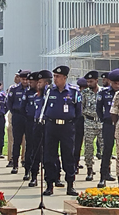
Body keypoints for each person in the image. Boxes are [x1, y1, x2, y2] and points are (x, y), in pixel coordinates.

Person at [39, 66, 81, 196]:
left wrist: (71, 124)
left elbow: (78, 112)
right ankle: (49, 185)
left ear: (64, 78)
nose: (55, 79)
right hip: (51, 126)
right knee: (49, 156)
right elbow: (43, 107)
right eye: (54, 76)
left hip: (67, 127)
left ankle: (70, 185)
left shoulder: (74, 92)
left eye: (57, 77)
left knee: (68, 155)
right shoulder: (49, 91)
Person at [96, 70, 119, 188]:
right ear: (110, 82)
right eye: (115, 83)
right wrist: (104, 119)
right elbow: (99, 109)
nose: (117, 85)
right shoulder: (104, 93)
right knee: (107, 151)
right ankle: (103, 176)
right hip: (108, 125)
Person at [7, 69, 30, 174]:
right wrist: (15, 112)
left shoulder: (32, 90)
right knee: (17, 141)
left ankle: (27, 163)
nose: (25, 81)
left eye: (27, 79)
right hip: (18, 116)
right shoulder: (14, 89)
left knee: (29, 142)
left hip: (28, 117)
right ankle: (15, 164)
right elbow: (9, 103)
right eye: (23, 79)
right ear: (20, 79)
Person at [80, 70, 102, 182]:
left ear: (96, 81)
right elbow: (82, 108)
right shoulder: (84, 93)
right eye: (87, 82)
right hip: (89, 122)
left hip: (102, 122)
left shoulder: (103, 92)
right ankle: (89, 169)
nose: (89, 84)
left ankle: (105, 170)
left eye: (91, 81)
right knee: (88, 147)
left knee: (104, 147)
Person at [23, 72, 41, 181]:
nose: (30, 84)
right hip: (30, 122)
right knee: (30, 147)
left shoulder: (44, 93)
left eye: (32, 82)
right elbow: (22, 108)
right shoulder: (27, 93)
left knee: (43, 149)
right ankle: (28, 171)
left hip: (42, 123)